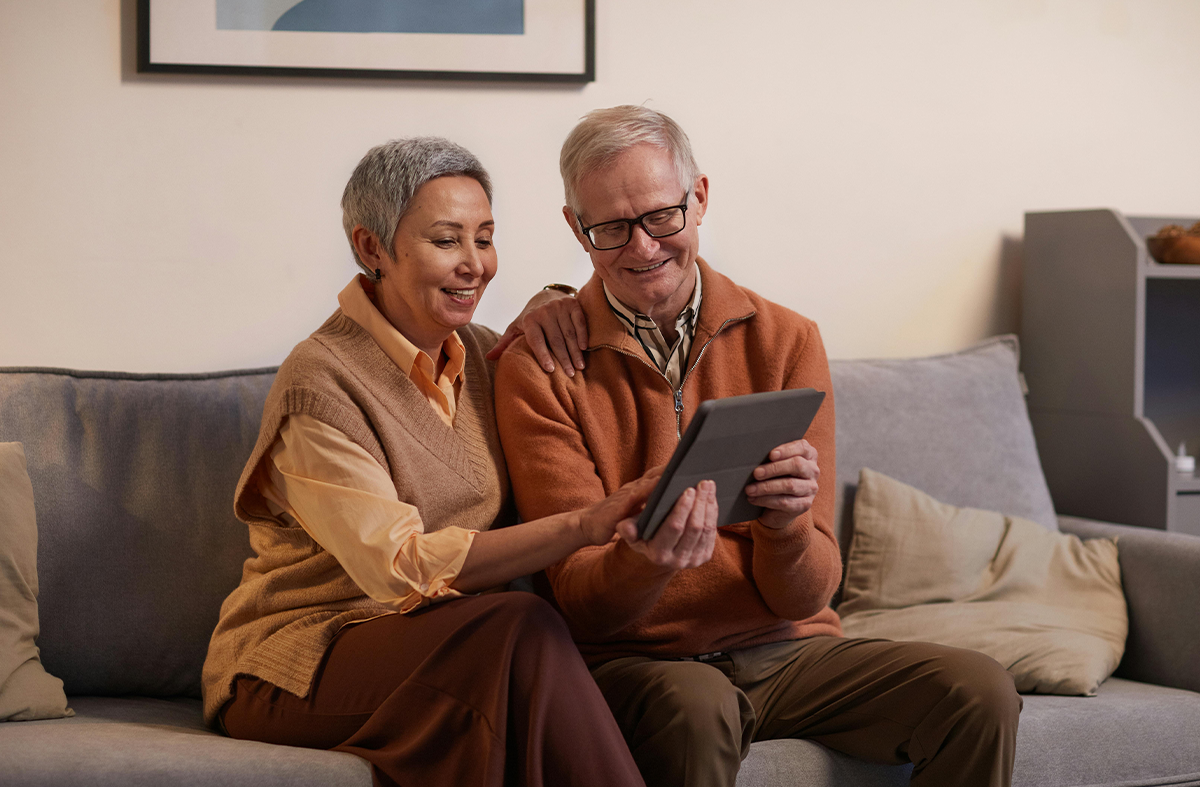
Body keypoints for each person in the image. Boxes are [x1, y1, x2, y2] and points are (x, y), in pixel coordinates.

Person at [494, 106, 1023, 787]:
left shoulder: (787, 340)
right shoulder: (541, 366)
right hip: (637, 664)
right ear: (576, 228)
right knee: (697, 705)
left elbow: (809, 593)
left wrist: (787, 525)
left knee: (977, 689)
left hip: (786, 654)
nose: (643, 248)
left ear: (701, 198)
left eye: (662, 217)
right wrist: (644, 559)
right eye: (610, 228)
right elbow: (582, 602)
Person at [200, 136, 705, 787]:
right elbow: (402, 568)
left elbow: (581, 328)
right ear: (371, 248)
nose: (475, 265)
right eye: (446, 241)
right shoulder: (320, 381)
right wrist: (584, 524)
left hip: (463, 645)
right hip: (297, 661)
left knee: (510, 665)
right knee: (516, 628)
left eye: (485, 238)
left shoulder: (488, 358)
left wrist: (559, 300)